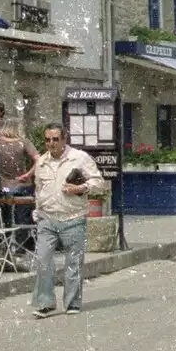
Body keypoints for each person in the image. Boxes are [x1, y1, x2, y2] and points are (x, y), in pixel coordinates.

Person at [25, 123, 104, 317]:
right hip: (47, 218)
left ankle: (72, 303)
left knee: (73, 262)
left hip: (73, 217)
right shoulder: (41, 162)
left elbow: (98, 183)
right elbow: (39, 189)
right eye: (47, 140)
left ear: (63, 140)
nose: (51, 143)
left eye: (55, 139)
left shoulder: (79, 158)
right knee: (43, 260)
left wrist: (79, 188)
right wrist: (37, 210)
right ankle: (45, 303)